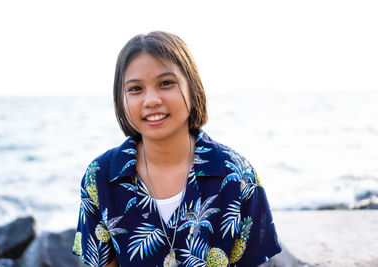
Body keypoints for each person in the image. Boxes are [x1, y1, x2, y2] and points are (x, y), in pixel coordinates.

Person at [72, 31, 281, 267]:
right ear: (121, 99)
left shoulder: (237, 174)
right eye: (135, 89)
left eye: (166, 83)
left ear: (193, 88)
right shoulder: (100, 176)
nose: (151, 100)